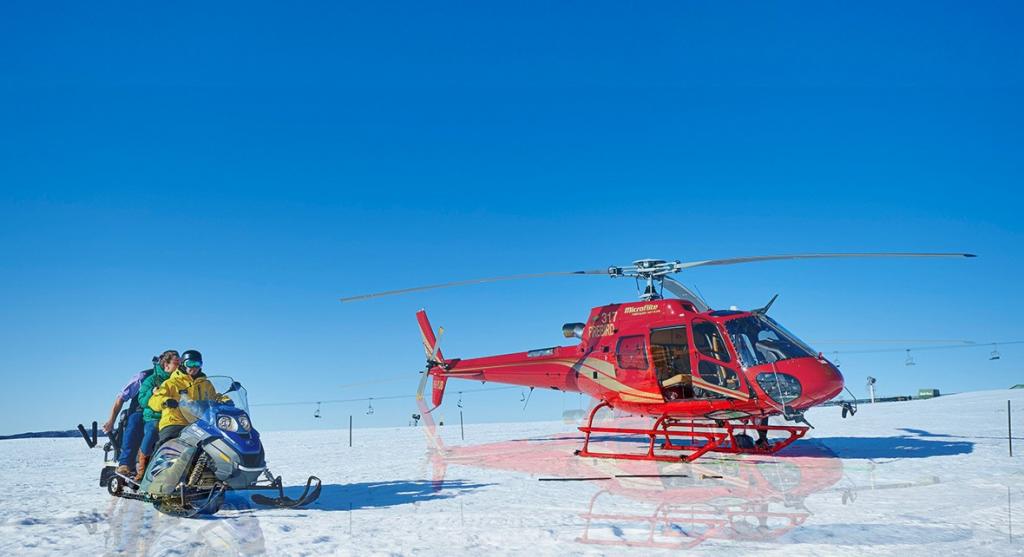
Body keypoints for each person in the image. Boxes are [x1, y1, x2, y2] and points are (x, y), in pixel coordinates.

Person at [149, 349, 223, 446]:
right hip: (175, 422)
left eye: (197, 364)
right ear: (183, 364)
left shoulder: (206, 384)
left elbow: (215, 397)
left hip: (199, 423)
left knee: (216, 441)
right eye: (190, 363)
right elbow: (154, 400)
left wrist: (225, 400)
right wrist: (166, 401)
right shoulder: (171, 383)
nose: (194, 367)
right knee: (166, 442)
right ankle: (160, 455)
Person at [101, 359, 156, 476]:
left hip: (165, 413)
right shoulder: (143, 377)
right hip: (140, 410)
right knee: (135, 422)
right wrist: (111, 420)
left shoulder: (177, 377)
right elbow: (121, 398)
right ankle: (125, 463)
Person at [134, 349, 179, 481]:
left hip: (174, 417)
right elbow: (142, 401)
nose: (179, 365)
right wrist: (151, 393)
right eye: (176, 363)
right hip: (154, 417)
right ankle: (142, 466)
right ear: (166, 365)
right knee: (153, 430)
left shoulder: (179, 380)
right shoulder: (152, 380)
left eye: (180, 362)